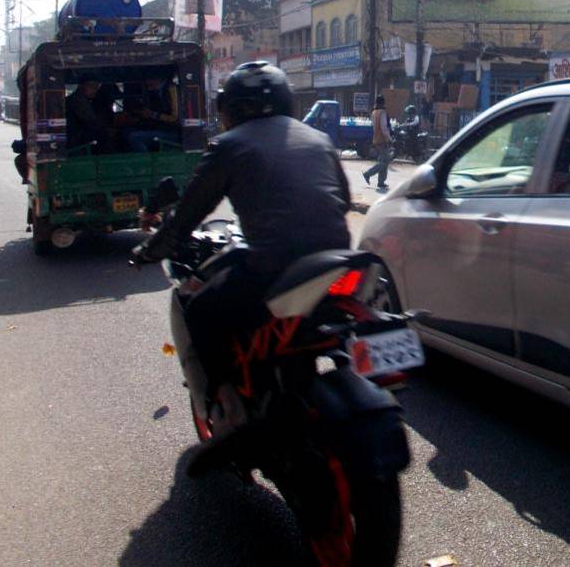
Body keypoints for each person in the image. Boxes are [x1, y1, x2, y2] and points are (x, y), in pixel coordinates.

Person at [136, 62, 352, 430]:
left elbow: (188, 215)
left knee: (200, 310)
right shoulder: (319, 139)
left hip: (273, 267)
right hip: (337, 262)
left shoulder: (228, 145)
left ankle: (228, 403)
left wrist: (149, 251)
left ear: (230, 109)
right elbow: (343, 200)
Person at [125, 74, 181, 152]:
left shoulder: (171, 89)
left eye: (148, 79)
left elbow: (174, 117)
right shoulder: (156, 92)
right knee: (127, 132)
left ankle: (146, 162)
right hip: (162, 128)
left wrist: (152, 114)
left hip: (174, 133)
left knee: (134, 137)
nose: (147, 84)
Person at [66, 74, 113, 152]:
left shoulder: (88, 101)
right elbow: (90, 121)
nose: (94, 90)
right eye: (91, 87)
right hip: (76, 139)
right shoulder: (77, 101)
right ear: (81, 86)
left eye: (97, 88)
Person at [362, 95, 393, 190]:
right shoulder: (382, 113)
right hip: (382, 139)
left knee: (383, 160)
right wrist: (389, 139)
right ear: (383, 103)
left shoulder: (374, 112)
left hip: (376, 138)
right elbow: (384, 128)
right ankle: (368, 174)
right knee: (385, 161)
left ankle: (381, 182)